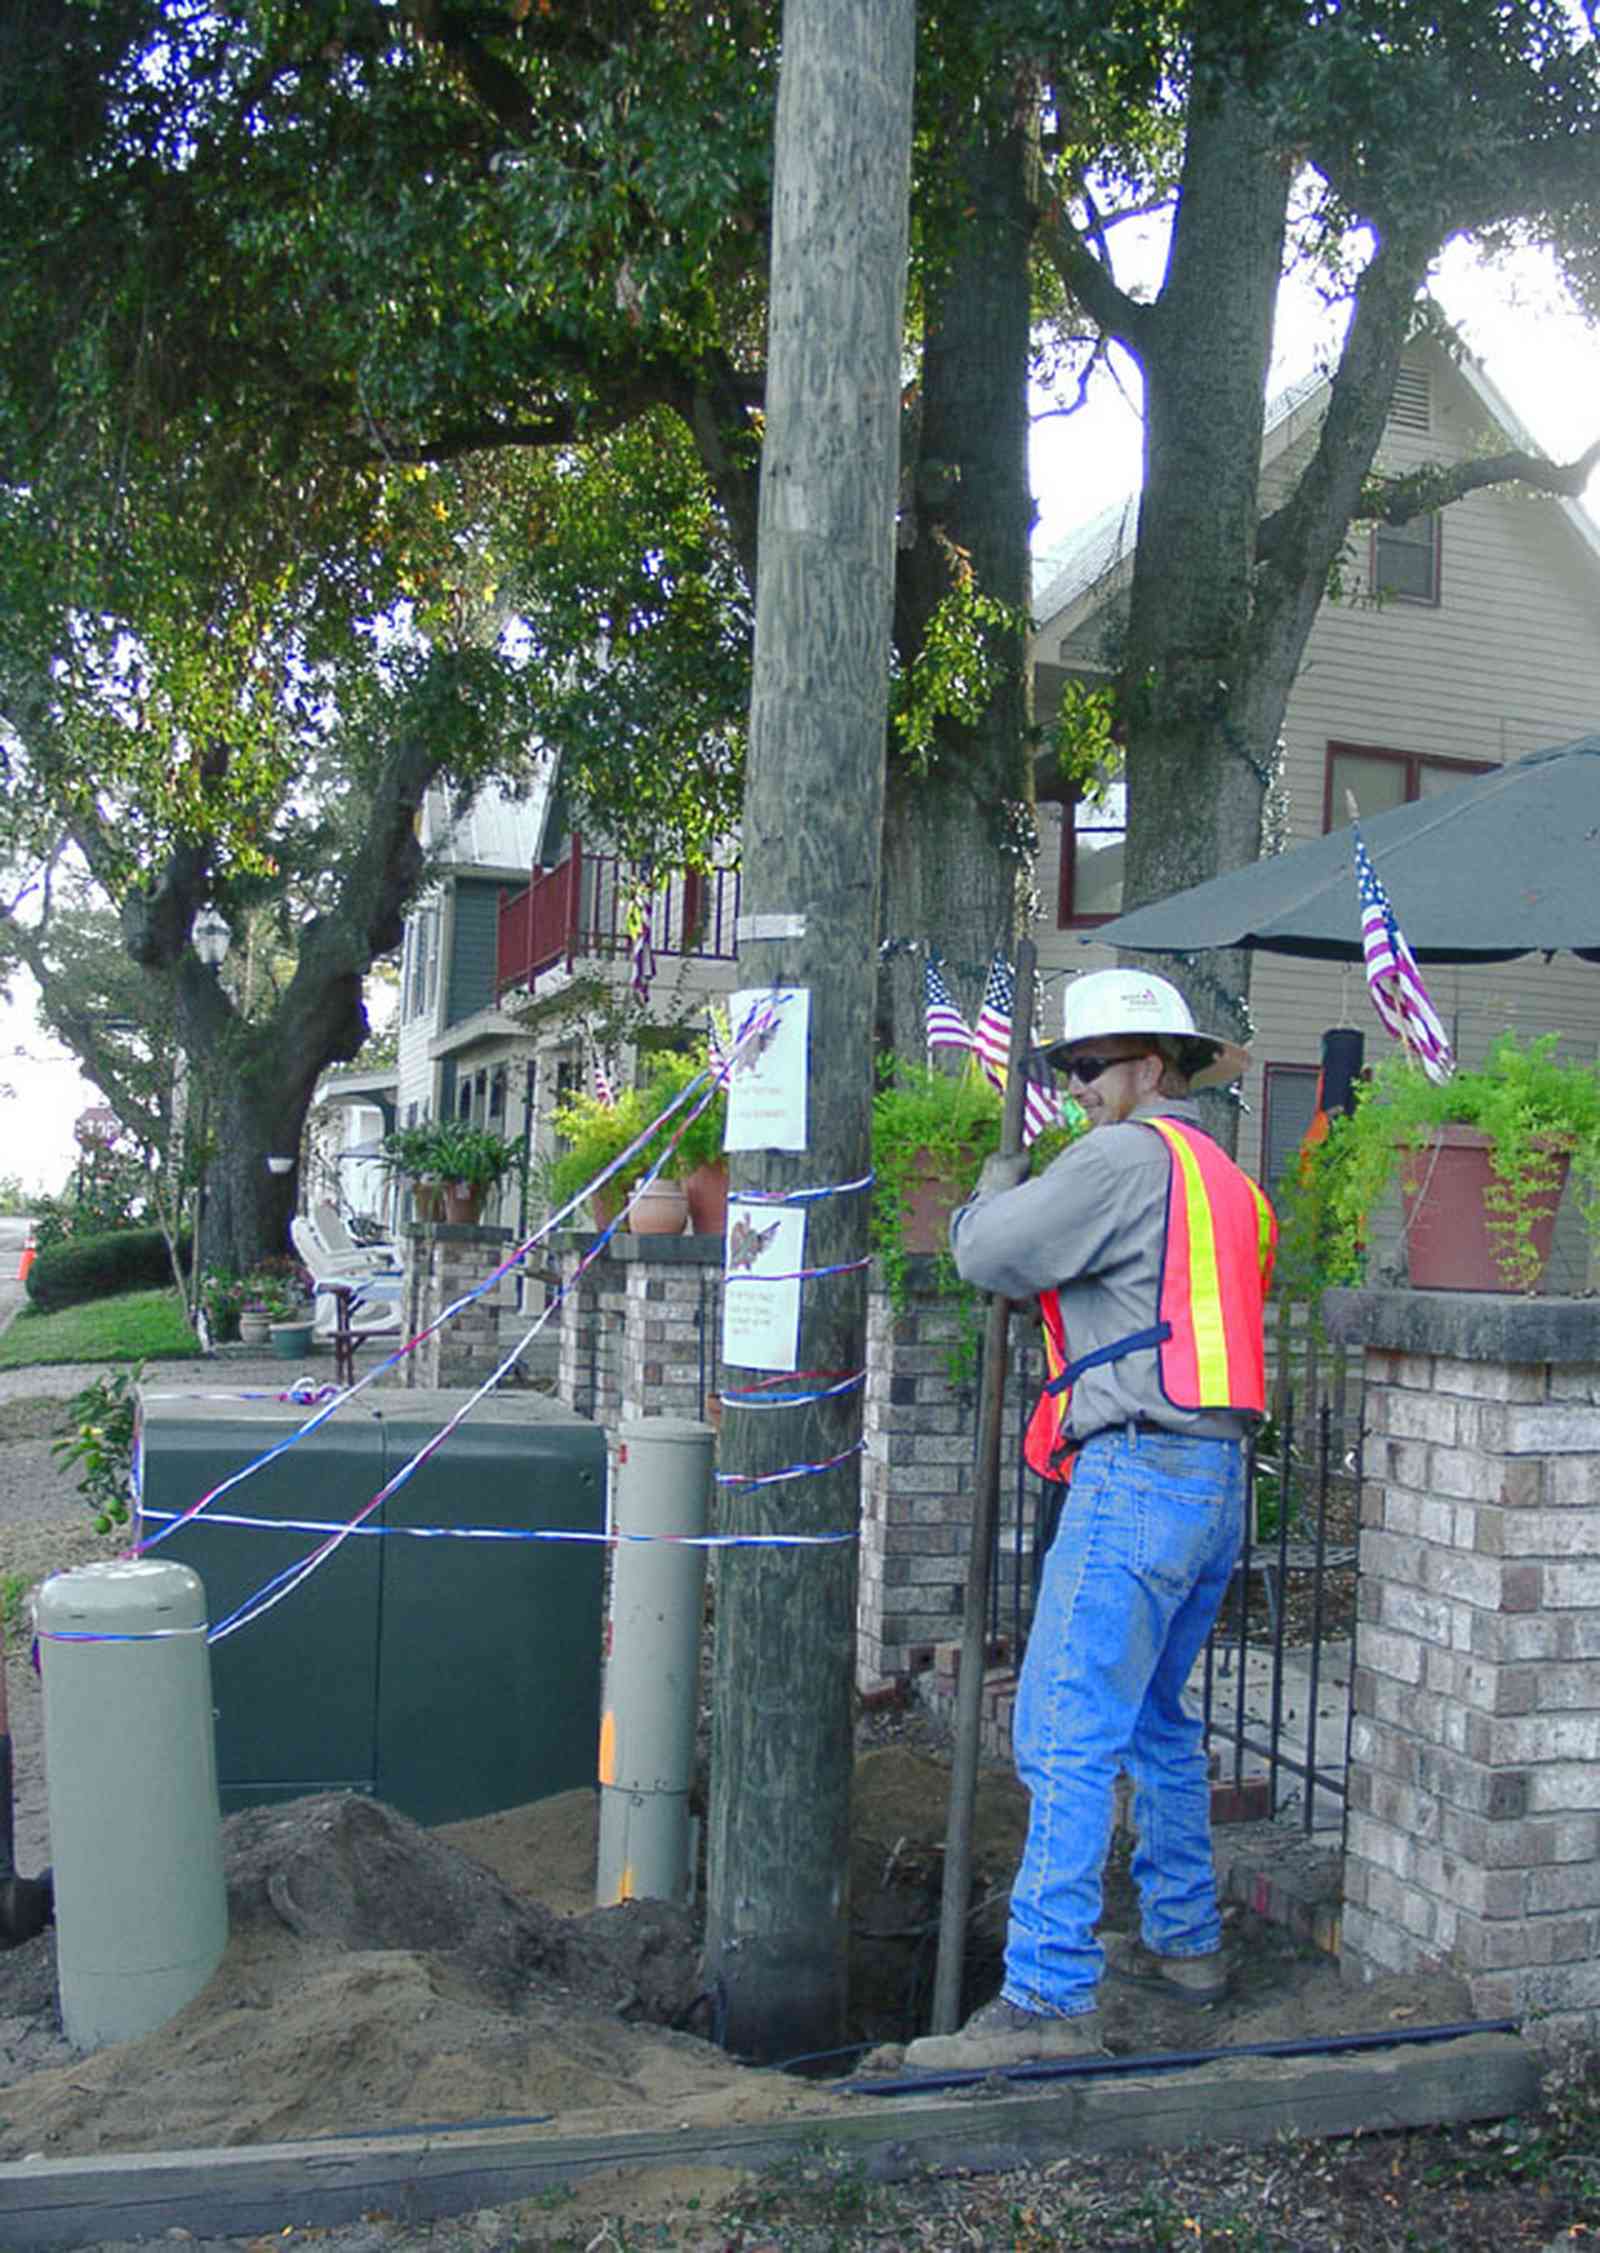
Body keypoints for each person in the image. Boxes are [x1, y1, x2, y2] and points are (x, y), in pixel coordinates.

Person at [904, 968, 1277, 2073]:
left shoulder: (1122, 1158)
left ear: (1152, 1068)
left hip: (1135, 1477)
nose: (1076, 1090)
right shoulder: (1228, 1184)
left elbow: (989, 1254)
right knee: (1158, 1722)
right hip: (1214, 1485)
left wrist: (984, 1194)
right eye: (1067, 1069)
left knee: (1064, 1733)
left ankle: (1046, 1997)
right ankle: (1184, 1944)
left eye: (1090, 1067)